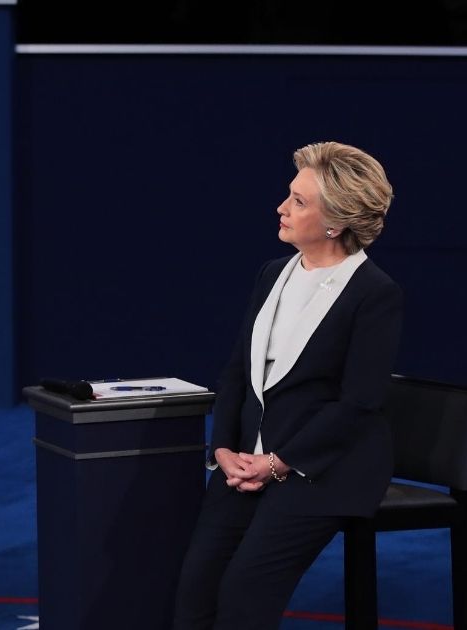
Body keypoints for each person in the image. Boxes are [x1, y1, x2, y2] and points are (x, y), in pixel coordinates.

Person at [173, 142, 402, 629]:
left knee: (243, 595)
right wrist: (223, 449)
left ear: (335, 223)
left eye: (299, 201)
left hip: (321, 469)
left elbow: (359, 403)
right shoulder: (272, 273)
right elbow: (238, 370)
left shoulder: (375, 294)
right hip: (247, 462)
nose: (282, 207)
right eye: (289, 195)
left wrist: (278, 463)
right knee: (195, 590)